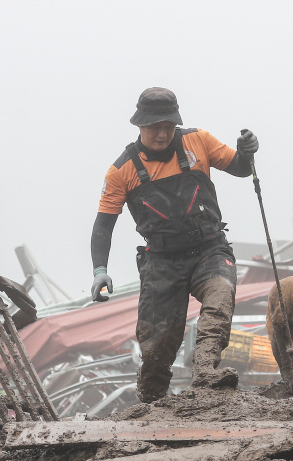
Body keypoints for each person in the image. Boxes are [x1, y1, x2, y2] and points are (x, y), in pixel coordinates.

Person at [89, 87, 259, 402]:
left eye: (169, 126)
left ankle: (205, 372)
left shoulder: (199, 141)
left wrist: (247, 152)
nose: (163, 134)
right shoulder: (121, 171)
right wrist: (100, 270)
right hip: (162, 262)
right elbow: (103, 225)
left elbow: (240, 168)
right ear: (140, 125)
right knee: (156, 348)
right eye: (155, 127)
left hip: (209, 250)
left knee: (220, 299)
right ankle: (150, 403)